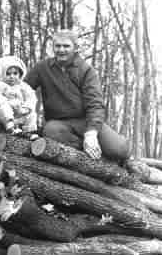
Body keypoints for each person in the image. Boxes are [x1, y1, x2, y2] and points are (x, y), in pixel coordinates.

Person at [24, 29, 131, 162]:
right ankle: (98, 158)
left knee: (120, 149)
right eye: (57, 46)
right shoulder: (42, 68)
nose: (61, 50)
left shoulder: (86, 70)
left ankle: (100, 150)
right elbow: (23, 89)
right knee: (50, 131)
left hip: (85, 120)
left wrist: (91, 133)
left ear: (75, 48)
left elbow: (95, 104)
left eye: (66, 46)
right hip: (59, 123)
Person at [0, 55, 38, 133]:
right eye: (8, 74)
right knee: (4, 108)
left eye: (15, 73)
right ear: (4, 74)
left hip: (18, 113)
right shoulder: (0, 85)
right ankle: (10, 127)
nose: (12, 76)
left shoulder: (23, 86)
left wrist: (25, 109)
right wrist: (5, 103)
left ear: (20, 74)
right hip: (2, 114)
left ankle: (29, 132)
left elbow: (31, 97)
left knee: (32, 114)